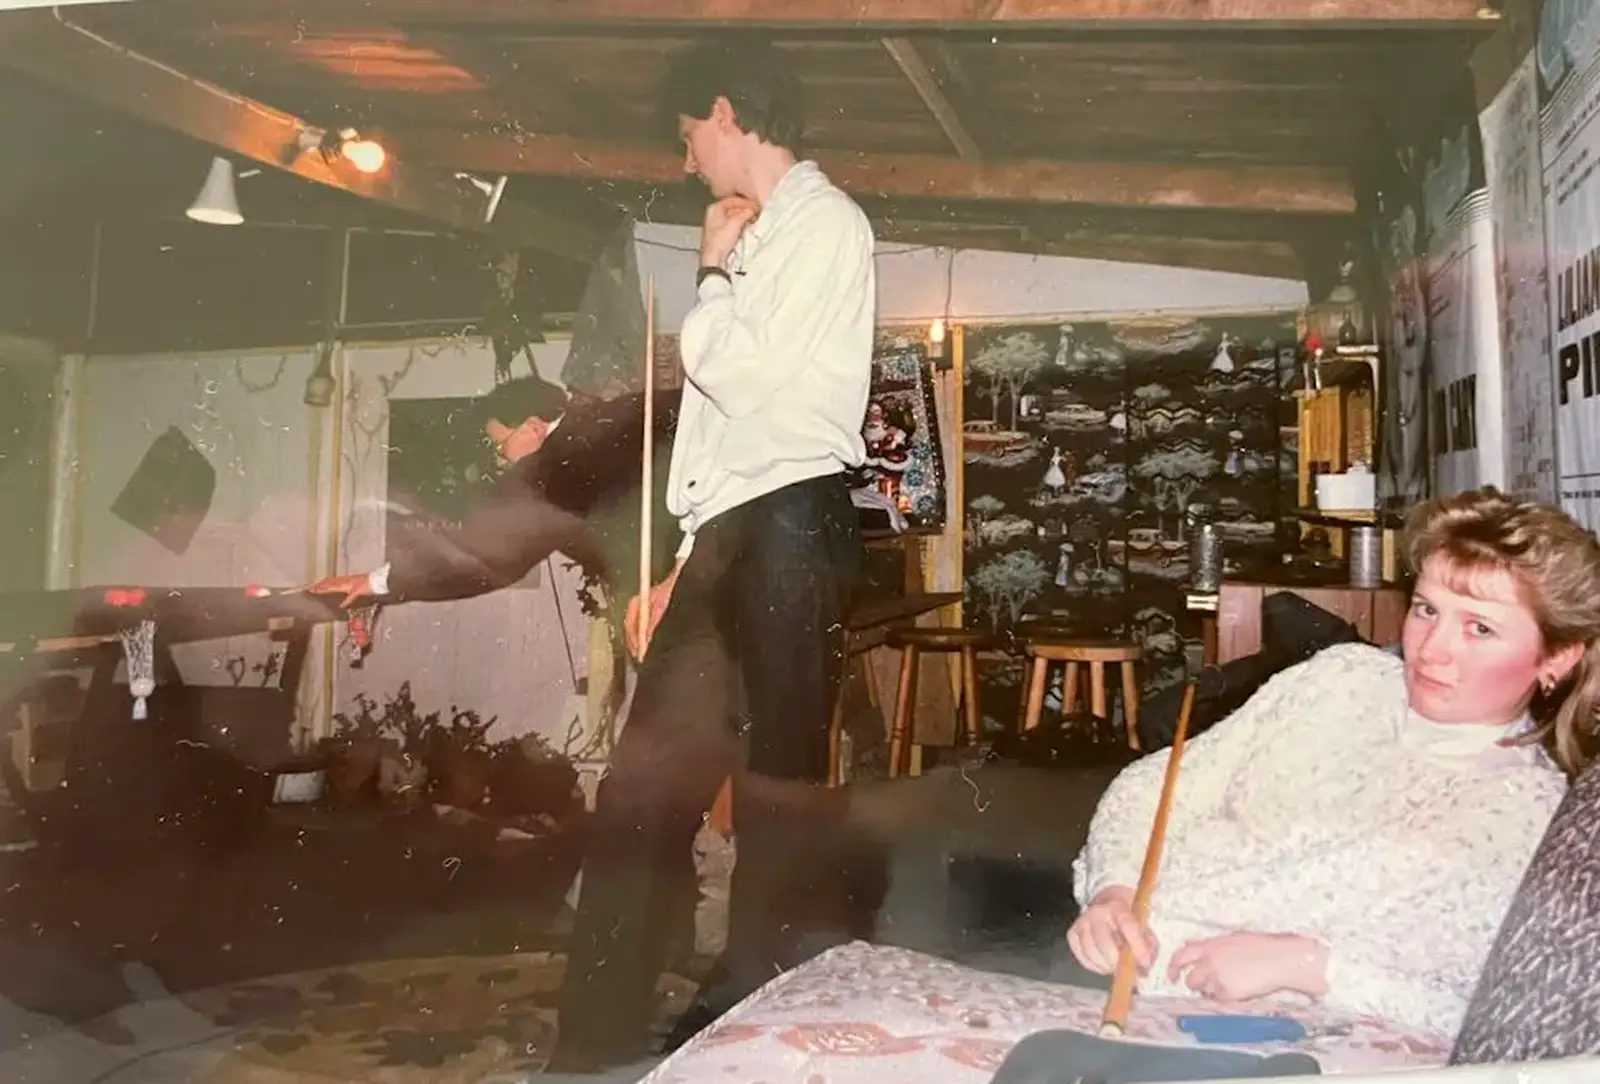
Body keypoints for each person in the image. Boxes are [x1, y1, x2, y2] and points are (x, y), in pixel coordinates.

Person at [549, 36, 876, 1070]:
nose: (687, 159)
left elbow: (751, 382)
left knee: (776, 804)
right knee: (641, 798)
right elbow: (719, 436)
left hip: (792, 523)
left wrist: (711, 275)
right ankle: (587, 1050)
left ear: (726, 113)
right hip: (735, 531)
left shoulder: (826, 225)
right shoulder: (769, 231)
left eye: (690, 135)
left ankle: (750, 1046)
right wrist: (680, 565)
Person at [1067, 487, 1599, 1044]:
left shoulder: (1530, 820)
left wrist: (1314, 968)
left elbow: (1498, 1022)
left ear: (1556, 658)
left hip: (1240, 1036)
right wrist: (1114, 889)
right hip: (1094, 958)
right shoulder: (1340, 679)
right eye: (1426, 610)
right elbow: (1156, 785)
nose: (1431, 649)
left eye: (1479, 628)